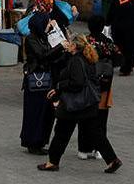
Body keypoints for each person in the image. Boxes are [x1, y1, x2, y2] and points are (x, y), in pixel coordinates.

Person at [38, 35, 122, 173]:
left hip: (74, 104)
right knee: (96, 133)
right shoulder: (87, 58)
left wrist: (59, 86)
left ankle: (52, 162)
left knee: (61, 133)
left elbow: (77, 82)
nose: (68, 45)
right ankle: (112, 160)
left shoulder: (76, 60)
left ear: (74, 46)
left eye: (70, 43)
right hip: (88, 104)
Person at [20, 10, 66, 155]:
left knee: (46, 112)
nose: (48, 25)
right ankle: (33, 142)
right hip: (36, 80)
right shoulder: (31, 39)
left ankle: (40, 141)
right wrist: (60, 46)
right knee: (36, 112)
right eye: (46, 23)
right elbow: (42, 56)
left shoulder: (43, 37)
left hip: (46, 78)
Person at [78, 15, 123, 160]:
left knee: (85, 118)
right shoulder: (108, 42)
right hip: (104, 86)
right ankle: (98, 149)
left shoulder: (85, 41)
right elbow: (119, 59)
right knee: (101, 119)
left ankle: (84, 149)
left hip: (87, 87)